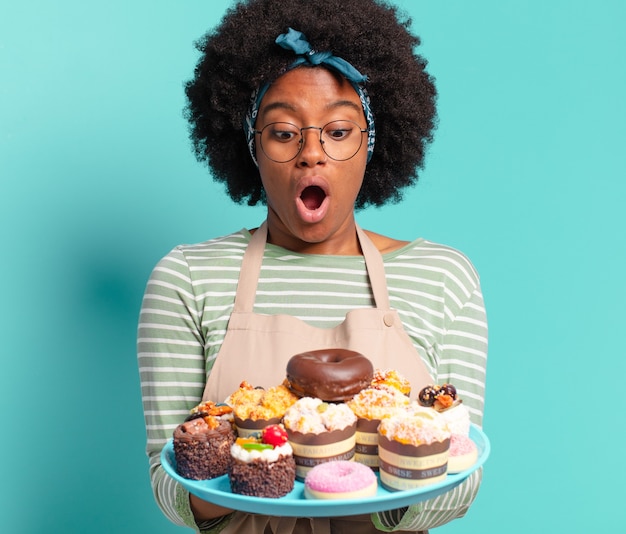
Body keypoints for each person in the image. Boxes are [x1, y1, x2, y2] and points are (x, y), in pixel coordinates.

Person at [137, 0, 488, 532]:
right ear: (251, 147)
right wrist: (261, 467)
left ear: (373, 144)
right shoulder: (187, 278)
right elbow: (170, 487)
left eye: (339, 131)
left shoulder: (441, 276)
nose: (311, 154)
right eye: (283, 132)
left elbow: (461, 475)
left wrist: (359, 483)